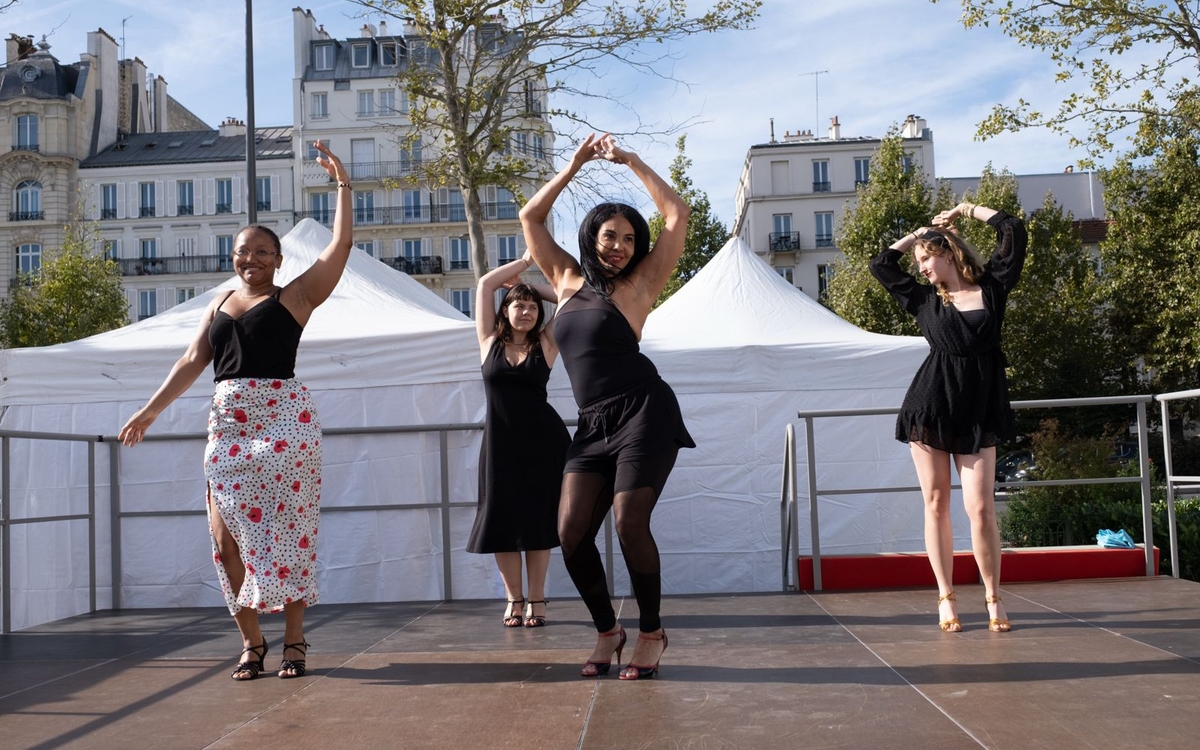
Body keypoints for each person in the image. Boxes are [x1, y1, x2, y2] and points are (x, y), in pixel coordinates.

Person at [118, 141, 353, 679]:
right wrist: (150, 411)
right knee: (225, 540)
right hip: (228, 425)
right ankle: (251, 641)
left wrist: (342, 184)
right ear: (235, 257)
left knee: (290, 532)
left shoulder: (295, 298)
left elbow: (339, 246)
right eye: (243, 251)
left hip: (284, 421)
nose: (250, 259)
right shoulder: (218, 304)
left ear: (278, 260)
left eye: (262, 253)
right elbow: (192, 359)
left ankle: (295, 641)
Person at [520, 133, 694, 680]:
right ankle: (606, 630)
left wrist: (631, 160)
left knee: (628, 523)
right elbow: (530, 216)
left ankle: (650, 630)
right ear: (591, 236)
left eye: (627, 237)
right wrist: (573, 164)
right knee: (570, 533)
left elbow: (677, 213)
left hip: (645, 410)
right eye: (608, 235)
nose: (617, 245)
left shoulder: (643, 283)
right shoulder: (566, 279)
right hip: (592, 426)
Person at [869, 200, 1027, 633]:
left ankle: (994, 598)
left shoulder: (992, 287)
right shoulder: (922, 300)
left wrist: (965, 209)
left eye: (927, 257)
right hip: (931, 407)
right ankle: (946, 597)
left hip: (979, 409)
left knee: (981, 509)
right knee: (936, 502)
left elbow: (1012, 230)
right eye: (918, 260)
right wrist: (918, 233)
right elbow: (881, 264)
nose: (921, 267)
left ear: (950, 252)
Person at [466, 251, 570, 629]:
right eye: (518, 305)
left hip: (542, 445)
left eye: (530, 306)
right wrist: (524, 262)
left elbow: (570, 294)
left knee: (538, 522)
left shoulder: (546, 344)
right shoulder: (488, 341)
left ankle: (538, 598)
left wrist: (536, 290)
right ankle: (514, 598)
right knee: (502, 522)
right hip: (499, 447)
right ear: (505, 311)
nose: (525, 311)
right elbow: (484, 284)